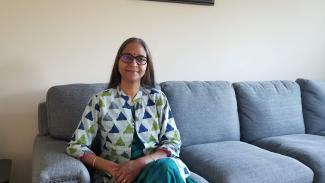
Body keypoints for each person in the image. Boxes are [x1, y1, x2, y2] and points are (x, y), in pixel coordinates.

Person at [66, 37, 196, 183]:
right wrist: (112, 168)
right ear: (118, 62)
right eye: (127, 57)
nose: (133, 63)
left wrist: (140, 164)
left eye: (140, 58)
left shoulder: (158, 99)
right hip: (118, 177)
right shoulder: (100, 101)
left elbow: (173, 142)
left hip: (157, 169)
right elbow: (76, 146)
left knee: (166, 168)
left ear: (147, 65)